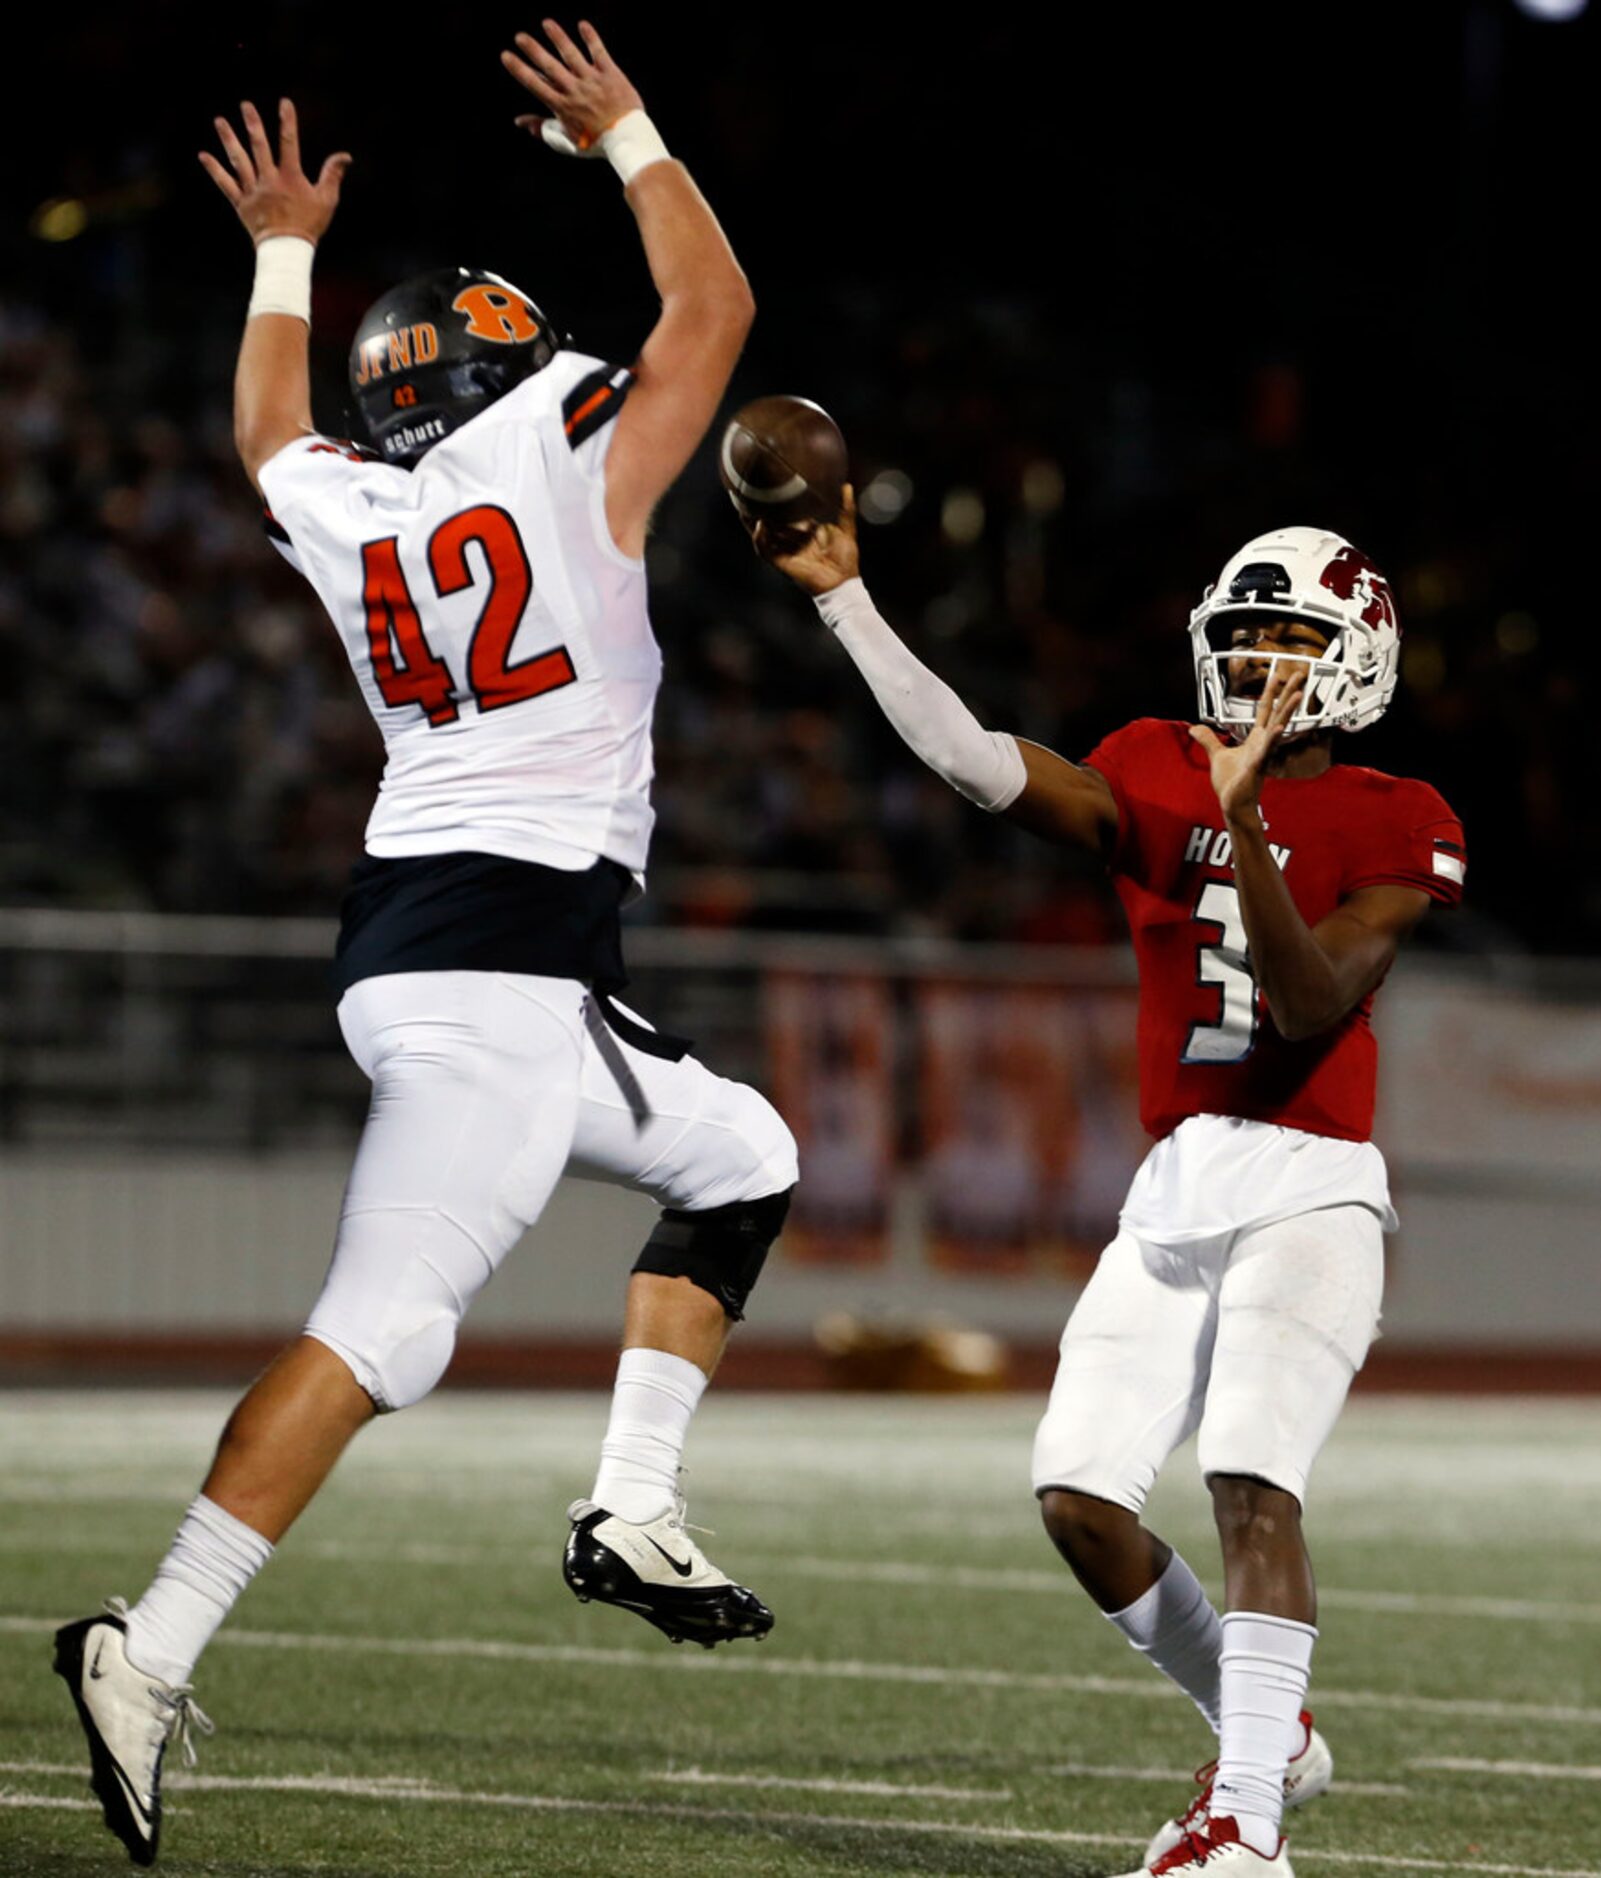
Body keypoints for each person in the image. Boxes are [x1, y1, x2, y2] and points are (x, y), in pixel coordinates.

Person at [54, 23, 797, 1868]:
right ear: (501, 371)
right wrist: (629, 127)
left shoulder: (365, 494)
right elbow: (715, 309)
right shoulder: (563, 456)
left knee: (744, 1152)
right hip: (495, 971)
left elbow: (262, 433)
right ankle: (147, 1644)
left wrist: (280, 252)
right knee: (387, 1326)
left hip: (447, 945)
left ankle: (631, 1503)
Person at [756, 497, 1465, 1876]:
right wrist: (845, 598)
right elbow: (976, 762)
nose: (1259, 665)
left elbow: (1312, 1005)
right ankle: (1271, 1733)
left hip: (1313, 1182)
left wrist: (1247, 823)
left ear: (1354, 661)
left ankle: (1247, 1823)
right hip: (1178, 1180)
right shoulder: (1152, 759)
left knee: (1251, 1474)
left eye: (1290, 641)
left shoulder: (1401, 813)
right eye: (1245, 637)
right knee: (1078, 1498)